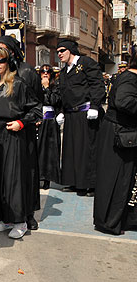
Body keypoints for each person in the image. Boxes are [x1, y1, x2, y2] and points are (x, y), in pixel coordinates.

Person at [0, 47, 41, 239]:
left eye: (1, 60)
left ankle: (20, 220)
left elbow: (37, 108)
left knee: (13, 179)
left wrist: (21, 122)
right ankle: (4, 217)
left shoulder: (18, 84)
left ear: (7, 62)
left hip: (12, 135)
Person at [0, 36, 42, 230]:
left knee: (26, 173)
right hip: (3, 133)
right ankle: (6, 214)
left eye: (2, 50)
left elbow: (37, 101)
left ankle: (27, 214)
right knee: (6, 174)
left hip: (24, 130)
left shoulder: (27, 72)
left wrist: (25, 121)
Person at [55, 39, 106, 196]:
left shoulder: (86, 63)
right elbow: (64, 93)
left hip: (87, 114)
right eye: (58, 52)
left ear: (70, 50)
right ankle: (75, 182)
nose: (59, 54)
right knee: (72, 151)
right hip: (71, 114)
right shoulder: (64, 71)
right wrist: (62, 111)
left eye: (62, 50)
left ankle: (90, 185)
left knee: (88, 150)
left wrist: (95, 106)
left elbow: (97, 84)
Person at [94, 54, 137, 235]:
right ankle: (110, 222)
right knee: (118, 179)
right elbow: (123, 101)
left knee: (119, 179)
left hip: (120, 133)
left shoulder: (128, 77)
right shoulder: (130, 79)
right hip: (120, 135)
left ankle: (114, 220)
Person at [37, 65, 61, 189]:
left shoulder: (55, 87)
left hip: (50, 123)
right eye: (43, 72)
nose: (45, 74)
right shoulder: (35, 86)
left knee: (48, 152)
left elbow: (53, 100)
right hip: (38, 121)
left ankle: (47, 178)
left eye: (47, 72)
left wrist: (47, 88)